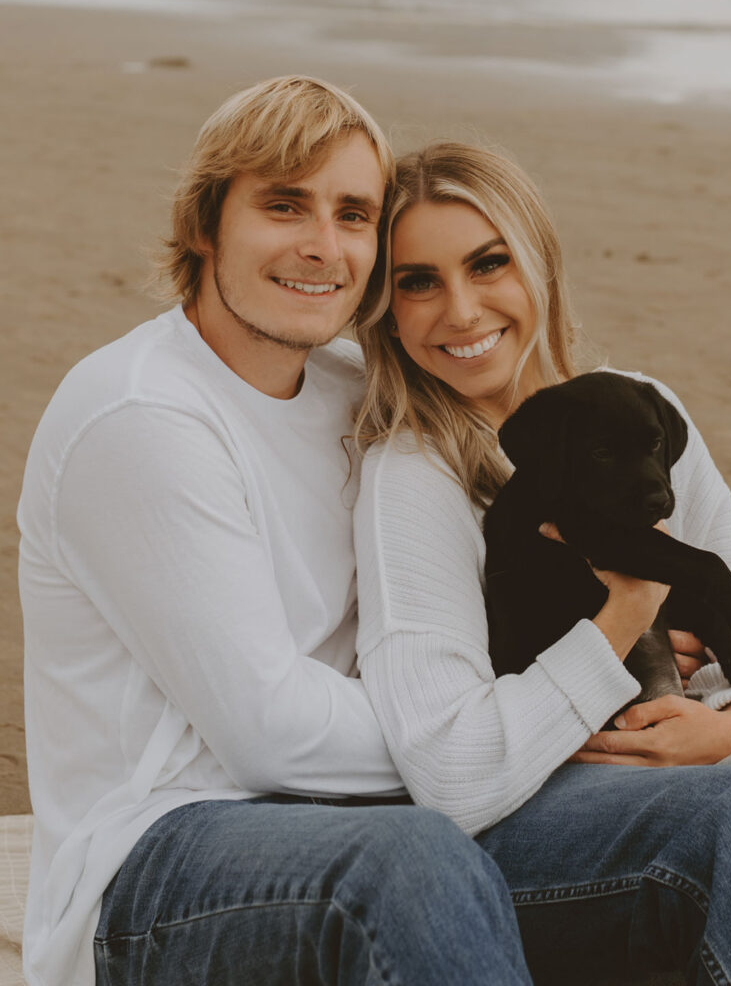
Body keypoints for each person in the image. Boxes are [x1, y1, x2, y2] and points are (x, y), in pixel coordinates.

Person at [18, 81, 535, 986]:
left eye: (353, 215)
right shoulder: (141, 414)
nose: (321, 245)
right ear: (204, 225)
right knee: (408, 865)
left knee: (708, 817)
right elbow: (269, 732)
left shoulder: (354, 391)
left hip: (381, 806)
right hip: (155, 862)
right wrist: (484, 726)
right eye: (284, 204)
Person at [353, 141, 731, 983]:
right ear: (384, 308)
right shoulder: (412, 477)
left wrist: (721, 732)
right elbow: (455, 774)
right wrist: (627, 614)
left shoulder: (645, 410)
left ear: (538, 263)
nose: (459, 310)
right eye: (417, 281)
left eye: (487, 263)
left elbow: (727, 628)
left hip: (703, 767)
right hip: (528, 825)